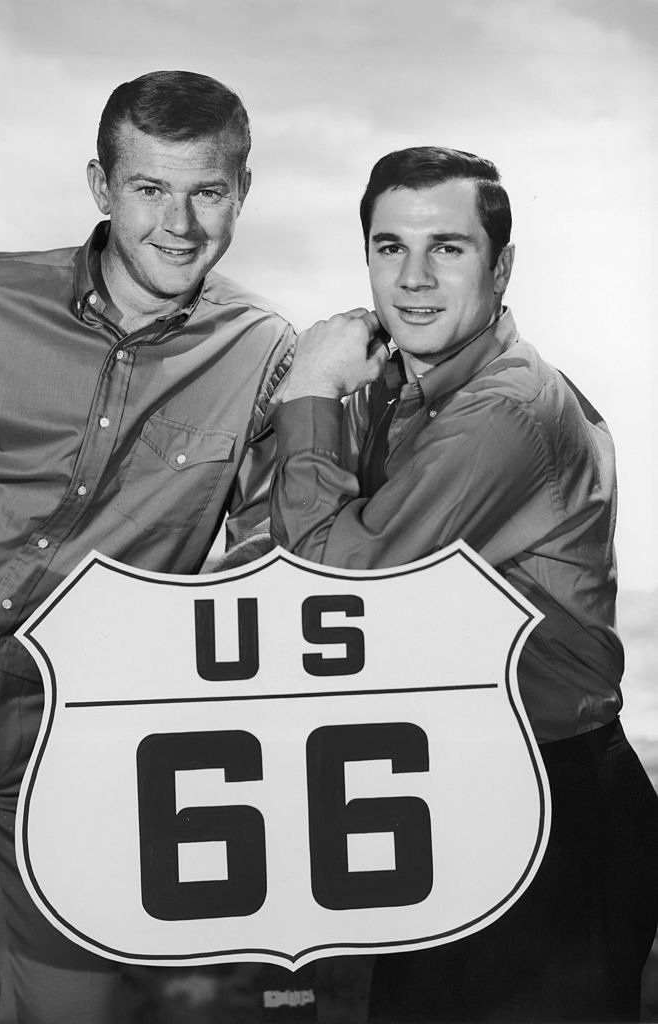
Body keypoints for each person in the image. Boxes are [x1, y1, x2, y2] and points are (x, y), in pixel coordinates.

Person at [0, 70, 294, 1024]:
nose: (180, 224)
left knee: (76, 1001)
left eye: (208, 192)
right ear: (103, 188)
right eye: (150, 189)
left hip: (84, 712)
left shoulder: (267, 349)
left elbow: (275, 556)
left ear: (241, 191)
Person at [268, 146, 658, 1021]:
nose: (412, 278)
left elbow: (338, 586)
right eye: (388, 247)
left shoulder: (505, 409)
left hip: (554, 807)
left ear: (501, 265)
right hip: (456, 801)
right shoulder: (399, 393)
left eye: (447, 248)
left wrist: (310, 390)